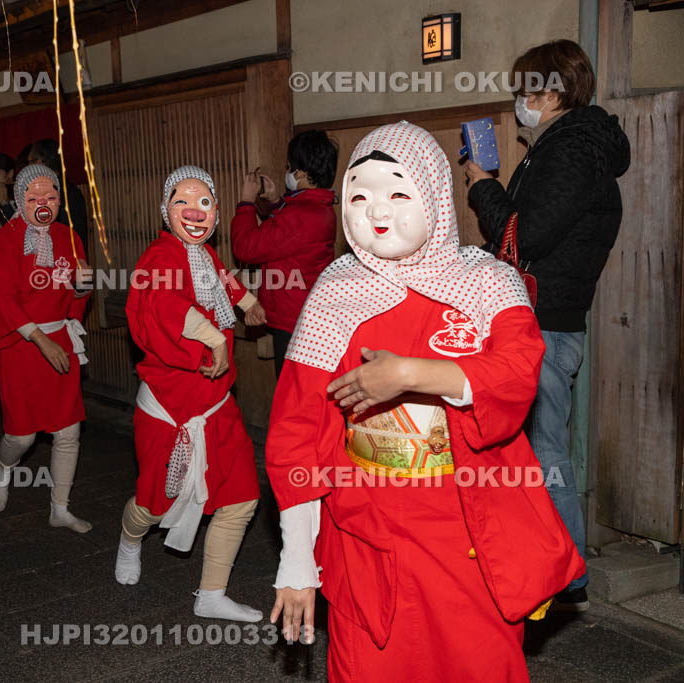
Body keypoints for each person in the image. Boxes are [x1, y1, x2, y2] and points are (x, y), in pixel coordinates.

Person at [266, 122, 585, 681]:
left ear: (434, 194)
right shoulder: (334, 293)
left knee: (478, 664)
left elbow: (518, 373)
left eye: (397, 192)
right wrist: (296, 558)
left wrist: (410, 374)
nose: (375, 210)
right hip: (368, 532)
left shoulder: (486, 281)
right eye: (359, 195)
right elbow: (297, 432)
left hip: (468, 529)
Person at [466, 39, 630, 611]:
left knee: (542, 451)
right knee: (530, 449)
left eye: (527, 90)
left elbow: (526, 236)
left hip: (546, 324)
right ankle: (546, 562)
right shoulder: (566, 146)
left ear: (553, 93)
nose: (520, 101)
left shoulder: (572, 150)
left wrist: (483, 185)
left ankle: (568, 570)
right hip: (545, 320)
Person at [114, 165, 266, 622]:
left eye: (204, 202)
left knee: (241, 496)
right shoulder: (160, 257)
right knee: (153, 504)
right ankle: (129, 539)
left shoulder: (204, 254)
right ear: (166, 210)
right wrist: (214, 338)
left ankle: (211, 595)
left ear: (216, 211)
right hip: (170, 408)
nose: (195, 211)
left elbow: (220, 278)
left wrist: (248, 302)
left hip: (216, 403)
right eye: (183, 201)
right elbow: (164, 306)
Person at [0, 164, 92, 533]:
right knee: (22, 434)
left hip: (60, 337)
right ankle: (4, 468)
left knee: (68, 430)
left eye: (51, 197)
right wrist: (40, 339)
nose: (44, 204)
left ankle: (60, 507)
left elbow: (75, 294)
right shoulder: (4, 241)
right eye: (34, 198)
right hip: (18, 343)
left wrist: (82, 287)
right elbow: (2, 298)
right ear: (19, 200)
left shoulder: (68, 237)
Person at [231, 130, 339, 375]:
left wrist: (246, 201)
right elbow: (288, 239)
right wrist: (276, 202)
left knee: (290, 389)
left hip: (293, 321)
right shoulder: (319, 207)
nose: (287, 172)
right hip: (304, 313)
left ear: (299, 173)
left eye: (289, 167)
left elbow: (246, 247)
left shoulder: (300, 215)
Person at [27, 139, 89, 248]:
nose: (28, 168)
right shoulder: (64, 190)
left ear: (40, 162)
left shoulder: (64, 193)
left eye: (31, 162)